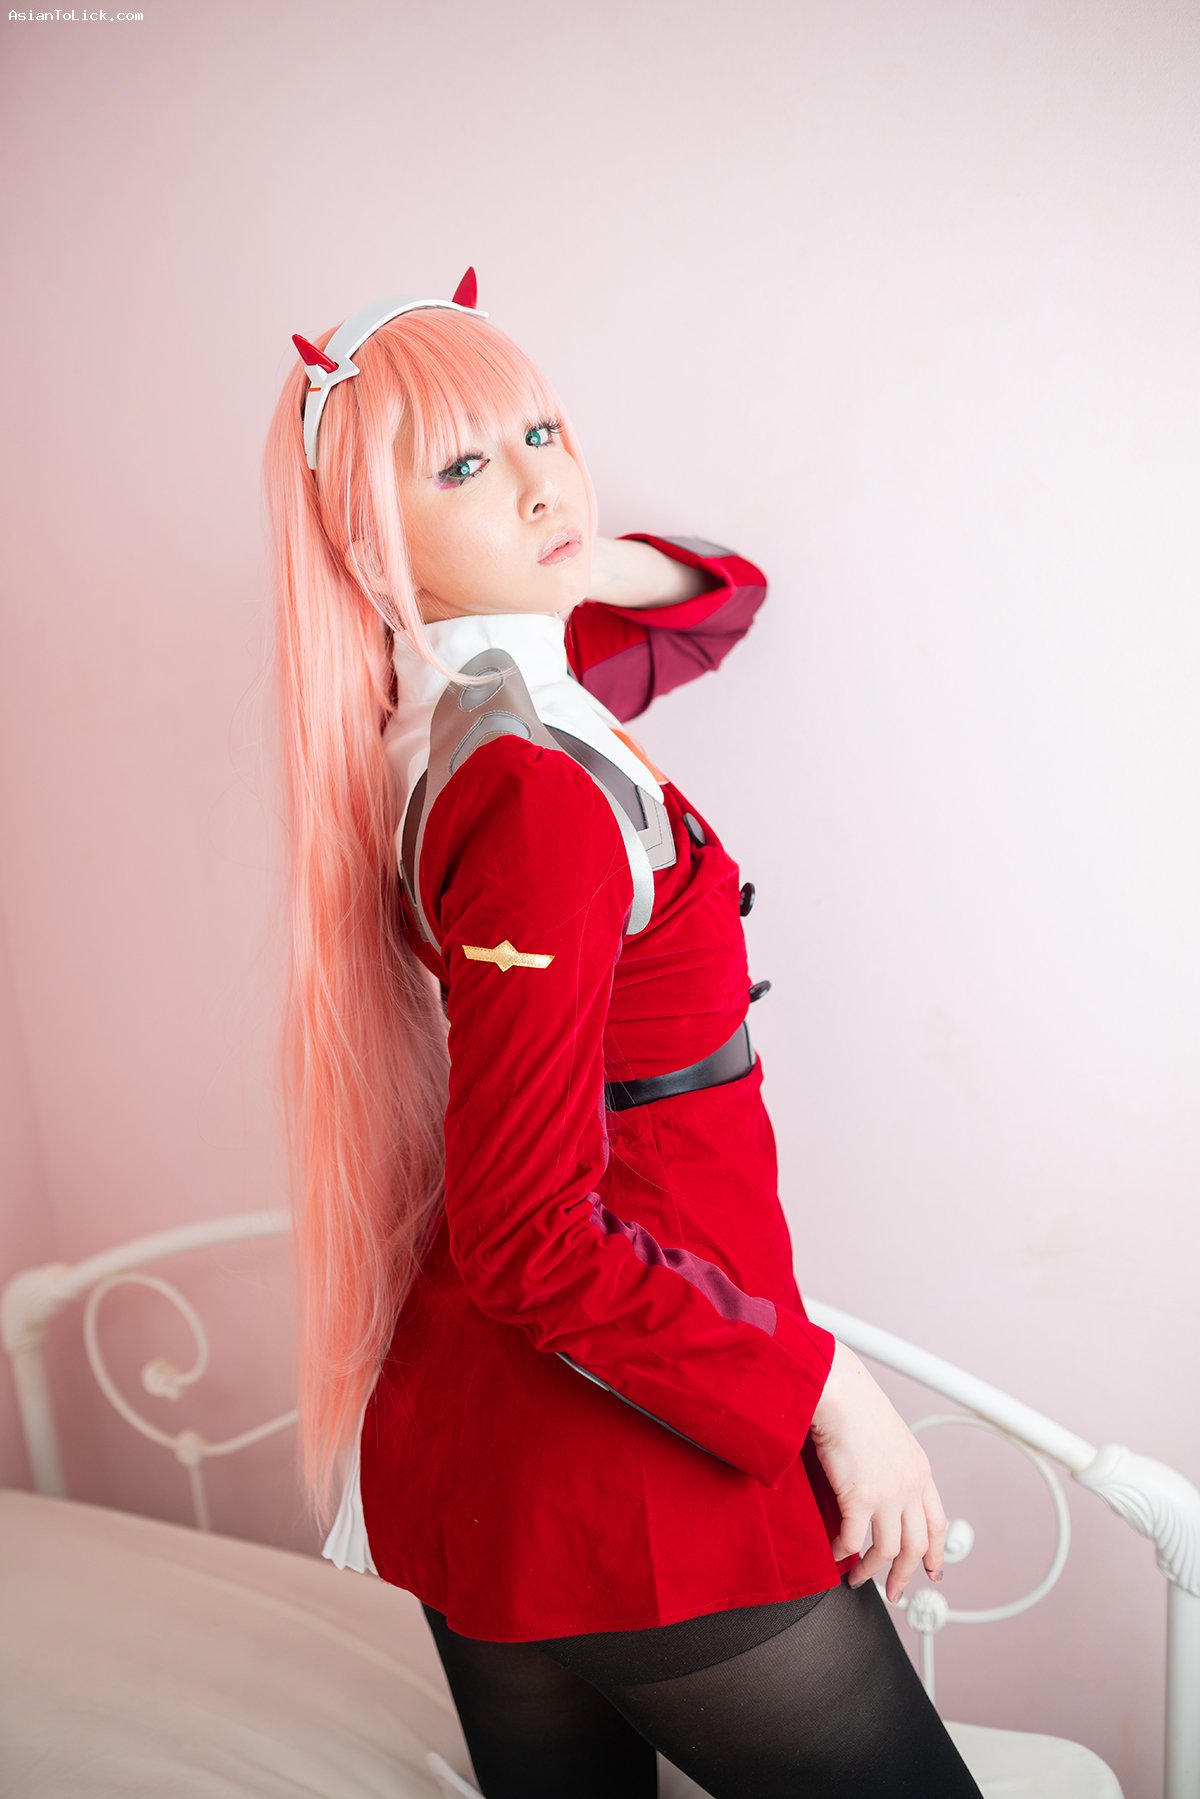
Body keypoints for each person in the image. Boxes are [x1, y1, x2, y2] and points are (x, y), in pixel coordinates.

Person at [262, 270, 984, 1796]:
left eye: (545, 433)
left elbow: (723, 598)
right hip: (625, 1436)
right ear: (368, 543)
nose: (542, 482)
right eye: (465, 465)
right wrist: (829, 1389)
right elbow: (529, 1236)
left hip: (494, 1451)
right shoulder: (529, 783)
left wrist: (560, 554)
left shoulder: (471, 705)